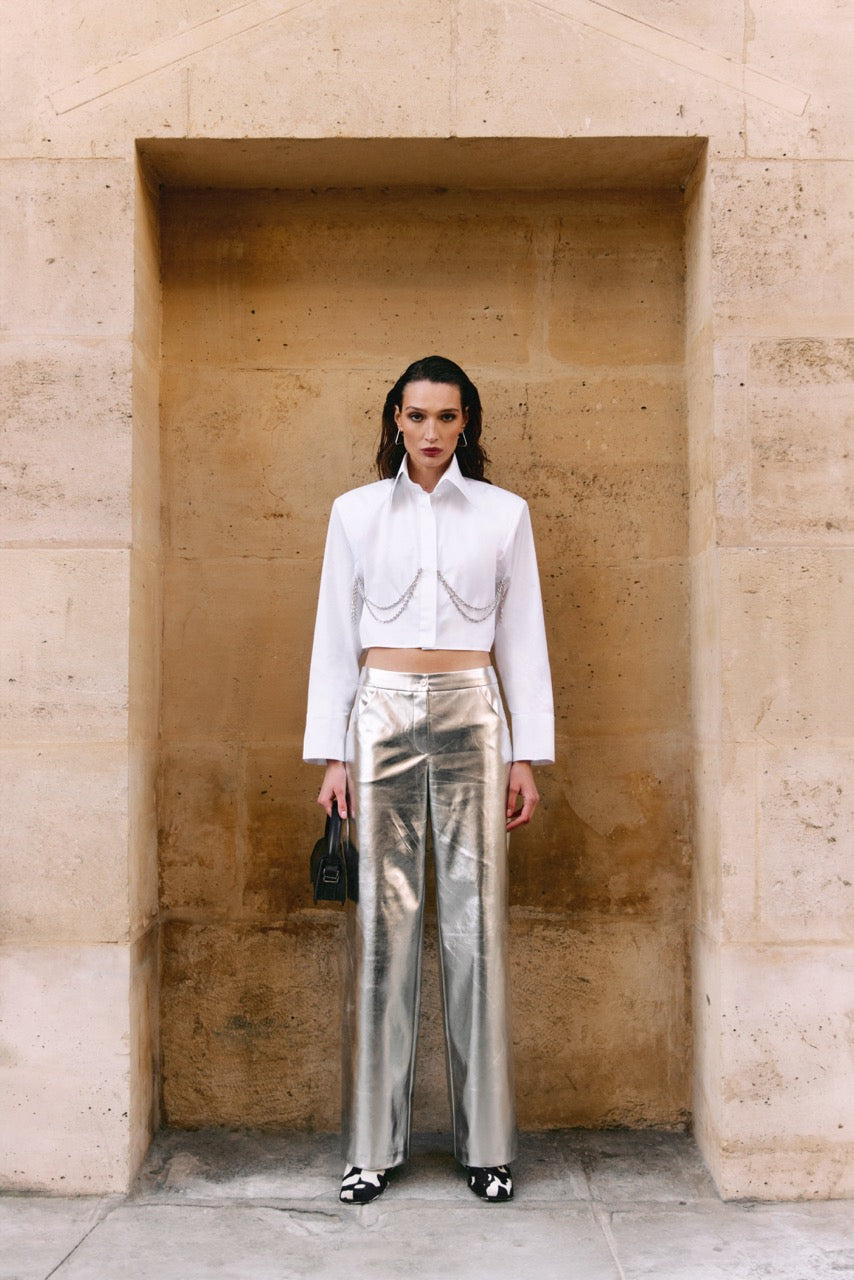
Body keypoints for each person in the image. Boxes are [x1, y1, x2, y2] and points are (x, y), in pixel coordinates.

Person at [303, 355, 554, 1205]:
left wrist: (527, 753)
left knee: (477, 928)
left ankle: (487, 1147)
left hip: (473, 713)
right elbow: (335, 635)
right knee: (383, 932)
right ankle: (371, 1147)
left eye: (447, 417)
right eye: (418, 416)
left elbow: (523, 638)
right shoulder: (355, 512)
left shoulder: (503, 513)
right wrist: (332, 753)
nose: (432, 433)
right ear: (395, 420)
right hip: (378, 715)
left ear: (467, 423)